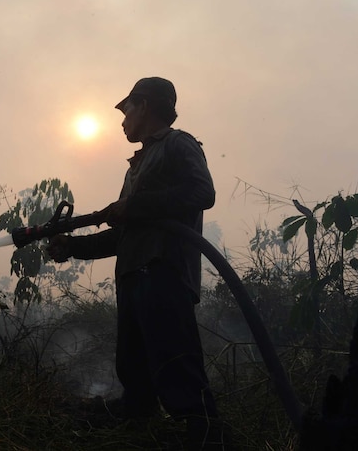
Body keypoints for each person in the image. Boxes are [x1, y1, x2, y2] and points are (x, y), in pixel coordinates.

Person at [46, 77, 226, 448]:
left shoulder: (179, 144)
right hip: (134, 275)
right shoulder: (137, 167)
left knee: (177, 368)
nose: (122, 119)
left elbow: (202, 193)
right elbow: (124, 235)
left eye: (126, 109)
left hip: (164, 272)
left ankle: (206, 436)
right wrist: (73, 247)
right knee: (135, 370)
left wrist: (136, 205)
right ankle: (135, 422)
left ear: (144, 106)